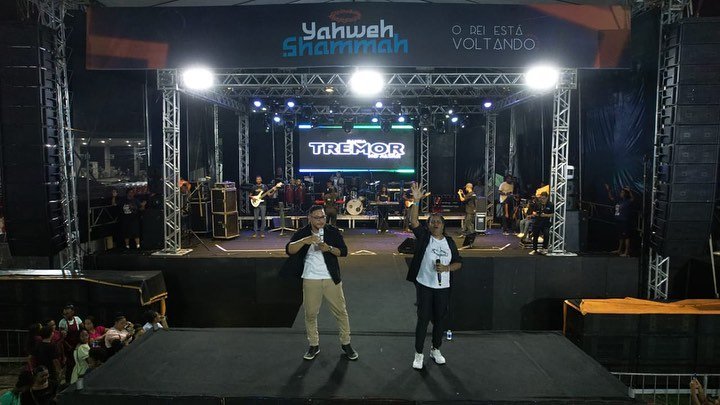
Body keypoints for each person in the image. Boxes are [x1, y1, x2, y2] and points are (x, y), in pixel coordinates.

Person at [283, 205, 357, 361]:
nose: (321, 220)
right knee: (310, 314)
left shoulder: (332, 231)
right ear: (309, 218)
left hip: (331, 278)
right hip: (311, 278)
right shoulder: (302, 233)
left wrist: (329, 248)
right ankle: (314, 344)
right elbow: (289, 250)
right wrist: (305, 241)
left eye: (323, 217)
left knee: (341, 312)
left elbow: (344, 251)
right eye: (317, 217)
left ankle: (346, 343)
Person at [407, 182, 462, 370]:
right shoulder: (424, 238)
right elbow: (414, 222)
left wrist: (447, 268)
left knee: (439, 320)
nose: (435, 223)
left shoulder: (449, 242)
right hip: (425, 285)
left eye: (438, 221)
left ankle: (436, 349)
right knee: (423, 320)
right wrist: (416, 201)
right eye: (432, 221)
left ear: (443, 225)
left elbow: (458, 262)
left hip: (443, 287)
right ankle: (418, 353)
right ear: (428, 225)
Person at [605, 184, 634, 257]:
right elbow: (611, 198)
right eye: (621, 192)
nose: (621, 193)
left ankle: (626, 252)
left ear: (625, 194)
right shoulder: (619, 201)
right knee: (620, 236)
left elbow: (632, 199)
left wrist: (629, 191)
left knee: (626, 236)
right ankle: (619, 250)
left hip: (625, 221)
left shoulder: (627, 201)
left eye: (622, 192)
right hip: (618, 221)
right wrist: (608, 190)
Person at [57, 304, 82, 385]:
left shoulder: (77, 319)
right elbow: (61, 337)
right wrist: (69, 346)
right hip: (68, 347)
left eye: (67, 313)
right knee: (70, 365)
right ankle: (69, 382)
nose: (65, 315)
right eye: (64, 314)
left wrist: (80, 343)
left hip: (77, 345)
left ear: (72, 312)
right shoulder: (62, 322)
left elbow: (82, 330)